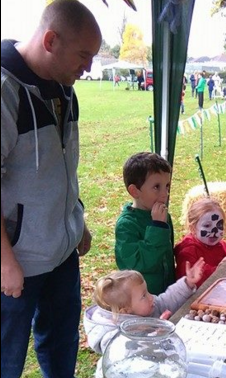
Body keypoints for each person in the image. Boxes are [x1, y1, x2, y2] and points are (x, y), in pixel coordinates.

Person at [1, 1, 101, 376]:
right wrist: (5, 260)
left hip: (61, 254)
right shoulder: (5, 91)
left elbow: (62, 166)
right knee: (6, 358)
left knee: (60, 352)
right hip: (15, 263)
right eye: (83, 55)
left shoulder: (65, 89)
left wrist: (76, 221)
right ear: (50, 40)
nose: (88, 66)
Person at [84, 260, 205, 377]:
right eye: (143, 296)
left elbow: (167, 300)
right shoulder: (111, 334)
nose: (151, 297)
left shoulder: (148, 307)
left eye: (147, 292)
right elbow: (129, 354)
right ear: (126, 310)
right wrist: (153, 336)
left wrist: (187, 283)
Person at [115, 152, 176, 296]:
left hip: (166, 293)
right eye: (156, 187)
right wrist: (157, 228)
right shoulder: (126, 225)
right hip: (141, 300)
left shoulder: (163, 216)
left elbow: (167, 253)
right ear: (135, 191)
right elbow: (137, 265)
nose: (165, 193)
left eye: (167, 186)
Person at [175, 198, 226, 288]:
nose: (214, 231)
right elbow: (191, 278)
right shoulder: (188, 251)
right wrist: (218, 270)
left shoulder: (219, 244)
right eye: (207, 225)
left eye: (219, 225)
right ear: (193, 228)